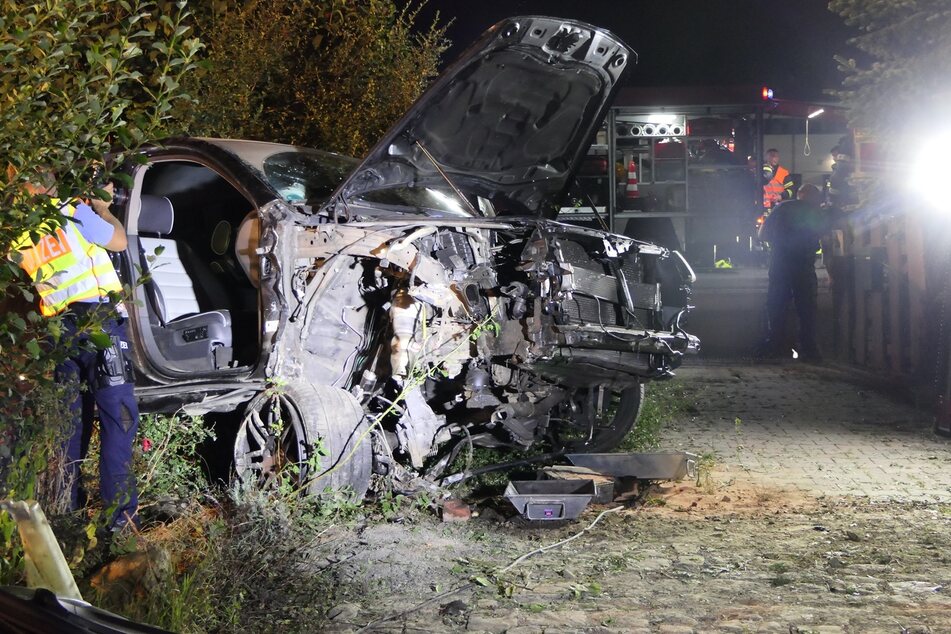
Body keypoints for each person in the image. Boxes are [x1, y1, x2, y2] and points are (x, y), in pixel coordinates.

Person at [10, 173, 140, 531]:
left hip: (59, 333)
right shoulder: (72, 211)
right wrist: (103, 207)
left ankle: (66, 512)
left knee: (72, 423)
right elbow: (117, 242)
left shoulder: (19, 235)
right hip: (99, 324)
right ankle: (121, 522)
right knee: (120, 419)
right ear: (47, 187)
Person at [757, 183, 829, 361]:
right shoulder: (815, 213)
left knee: (776, 303)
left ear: (799, 194)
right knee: (806, 307)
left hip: (780, 263)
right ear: (814, 197)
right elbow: (825, 236)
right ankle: (809, 349)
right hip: (804, 265)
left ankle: (776, 345)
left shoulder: (782, 208)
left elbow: (763, 235)